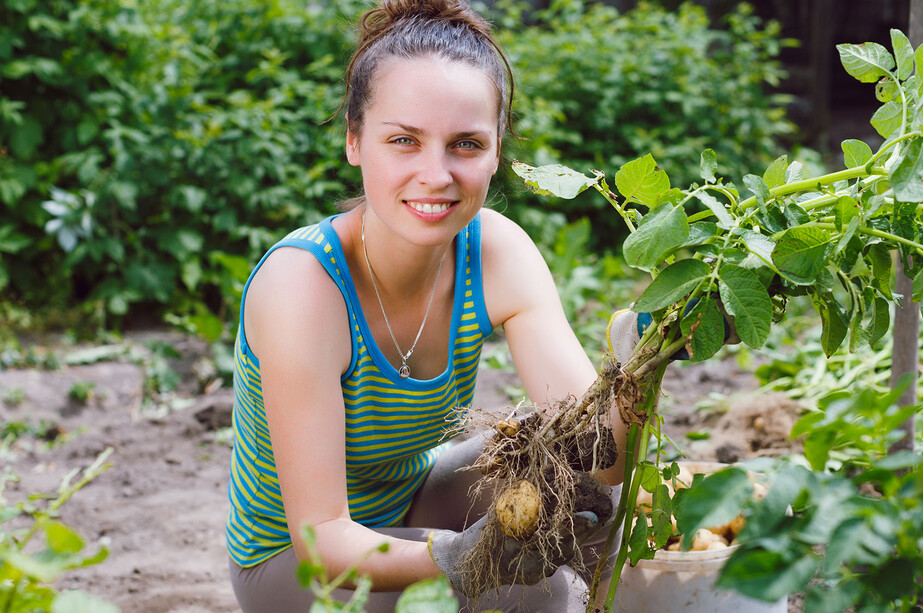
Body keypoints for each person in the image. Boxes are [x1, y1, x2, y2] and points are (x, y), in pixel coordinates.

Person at [226, 1, 633, 611]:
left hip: (412, 497)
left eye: (465, 144)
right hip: (297, 564)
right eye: (403, 141)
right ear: (355, 141)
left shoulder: (494, 250)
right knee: (528, 591)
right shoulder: (304, 288)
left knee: (580, 500)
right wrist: (456, 555)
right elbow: (322, 540)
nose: (435, 174)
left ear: (497, 152)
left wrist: (647, 361)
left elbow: (600, 461)